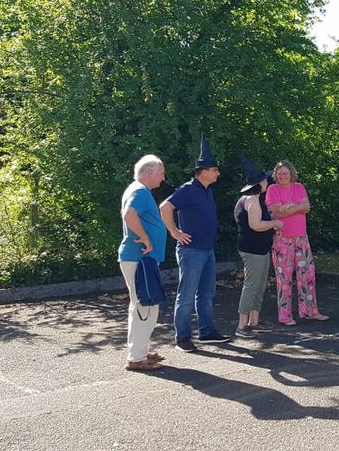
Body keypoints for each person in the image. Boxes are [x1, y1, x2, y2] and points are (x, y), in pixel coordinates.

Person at [160, 136, 232, 352]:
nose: (218, 173)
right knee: (187, 294)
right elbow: (165, 207)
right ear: (204, 170)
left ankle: (207, 331)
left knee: (207, 292)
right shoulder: (188, 189)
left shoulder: (207, 190)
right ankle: (182, 336)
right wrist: (175, 232)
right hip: (191, 250)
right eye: (215, 170)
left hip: (207, 249)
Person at [118, 154, 168, 371]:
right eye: (161, 172)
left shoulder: (138, 190)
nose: (164, 178)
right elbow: (128, 215)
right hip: (140, 259)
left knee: (143, 304)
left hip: (140, 259)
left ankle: (140, 350)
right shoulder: (139, 191)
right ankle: (136, 359)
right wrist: (146, 237)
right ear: (149, 173)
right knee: (144, 306)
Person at [267, 160, 328, 325]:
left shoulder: (299, 187)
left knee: (307, 275)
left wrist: (287, 208)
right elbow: (275, 212)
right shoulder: (272, 189)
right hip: (282, 239)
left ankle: (310, 311)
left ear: (291, 173)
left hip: (301, 237)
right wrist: (297, 207)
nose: (282, 176)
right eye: (279, 174)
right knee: (284, 278)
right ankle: (285, 316)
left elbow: (306, 207)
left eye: (285, 173)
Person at [234, 155, 283, 339]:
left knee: (260, 284)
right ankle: (241, 325)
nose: (267, 182)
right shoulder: (251, 200)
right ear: (259, 183)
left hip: (259, 248)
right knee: (252, 285)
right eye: (264, 180)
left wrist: (272, 225)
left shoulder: (256, 199)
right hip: (252, 249)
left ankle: (254, 321)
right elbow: (255, 225)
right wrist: (275, 224)